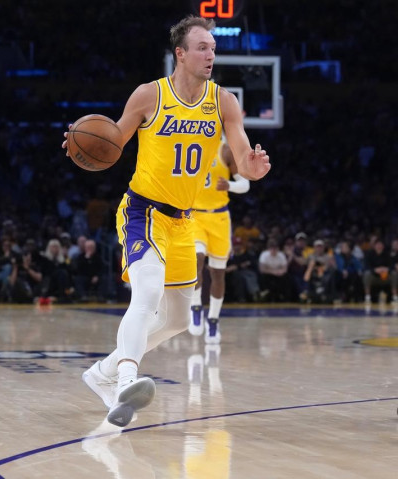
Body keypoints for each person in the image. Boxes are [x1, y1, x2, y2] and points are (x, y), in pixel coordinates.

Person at [67, 15, 270, 428]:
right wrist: (79, 141)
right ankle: (126, 379)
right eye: (202, 48)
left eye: (213, 48)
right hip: (142, 212)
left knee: (177, 319)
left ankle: (103, 372)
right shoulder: (149, 95)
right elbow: (112, 142)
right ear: (180, 53)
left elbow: (243, 159)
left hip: (184, 221)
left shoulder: (224, 102)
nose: (211, 55)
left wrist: (253, 167)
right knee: (147, 291)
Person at [189, 141, 250, 343]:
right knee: (196, 260)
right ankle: (195, 306)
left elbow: (245, 184)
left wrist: (229, 185)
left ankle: (213, 319)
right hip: (195, 216)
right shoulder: (189, 145)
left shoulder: (225, 150)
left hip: (219, 219)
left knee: (217, 273)